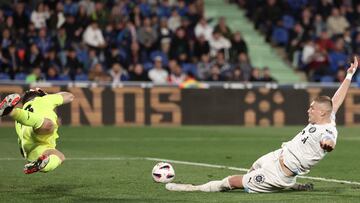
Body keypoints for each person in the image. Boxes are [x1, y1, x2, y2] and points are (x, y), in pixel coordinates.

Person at [166, 56, 358, 193]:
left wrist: (328, 145)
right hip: (278, 155)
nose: (308, 110)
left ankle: (194, 189)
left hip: (280, 173)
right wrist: (349, 76)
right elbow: (336, 100)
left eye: (312, 108)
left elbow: (329, 140)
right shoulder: (329, 116)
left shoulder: (328, 131)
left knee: (231, 182)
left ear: (322, 112)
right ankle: (286, 185)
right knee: (252, 168)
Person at [0, 88, 74, 174]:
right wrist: (48, 95)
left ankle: (38, 164)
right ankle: (11, 112)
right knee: (48, 125)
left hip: (30, 149)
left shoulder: (20, 118)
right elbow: (70, 96)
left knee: (59, 157)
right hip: (38, 131)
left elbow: (20, 141)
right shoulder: (43, 99)